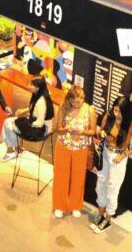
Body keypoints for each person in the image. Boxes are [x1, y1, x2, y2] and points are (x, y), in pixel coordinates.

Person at [92, 96, 132, 233]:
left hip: (118, 157)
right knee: (101, 184)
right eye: (115, 110)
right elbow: (99, 131)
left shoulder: (131, 124)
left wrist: (124, 154)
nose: (117, 114)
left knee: (112, 188)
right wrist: (103, 134)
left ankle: (107, 219)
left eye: (120, 111)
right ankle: (100, 214)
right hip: (105, 152)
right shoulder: (109, 116)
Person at [52, 84, 96, 218]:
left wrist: (83, 132)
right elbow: (57, 129)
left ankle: (76, 205)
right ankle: (59, 205)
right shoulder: (63, 108)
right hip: (64, 145)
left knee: (78, 177)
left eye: (81, 100)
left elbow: (93, 131)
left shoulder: (89, 110)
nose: (79, 103)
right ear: (70, 100)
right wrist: (66, 130)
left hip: (81, 148)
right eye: (76, 101)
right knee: (61, 176)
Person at [1, 73, 53, 162]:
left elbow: (39, 123)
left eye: (31, 85)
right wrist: (24, 111)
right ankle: (16, 149)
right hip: (39, 124)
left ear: (37, 88)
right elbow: (35, 109)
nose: (29, 86)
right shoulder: (40, 95)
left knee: (9, 123)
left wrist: (26, 122)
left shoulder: (41, 102)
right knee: (11, 122)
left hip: (40, 130)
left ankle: (11, 151)